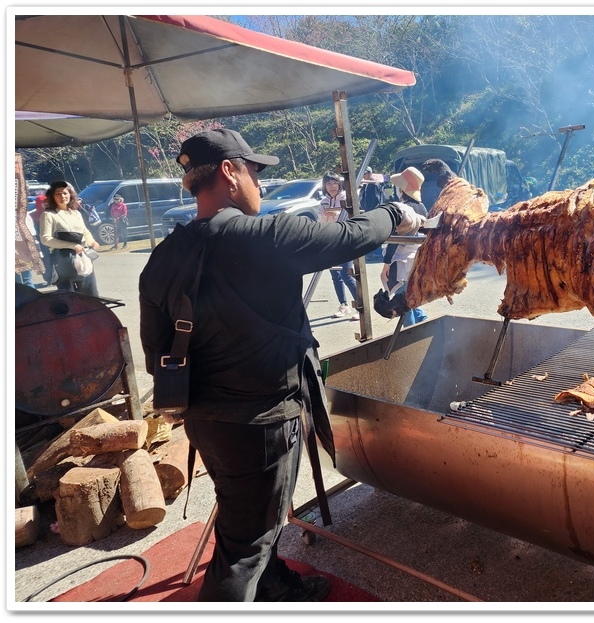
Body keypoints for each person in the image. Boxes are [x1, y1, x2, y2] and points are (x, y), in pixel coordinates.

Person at [138, 128, 423, 603]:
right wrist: (397, 211)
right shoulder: (263, 236)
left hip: (205, 419)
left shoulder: (163, 257)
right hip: (263, 421)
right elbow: (350, 236)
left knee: (248, 519)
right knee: (244, 545)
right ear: (229, 172)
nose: (261, 184)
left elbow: (155, 352)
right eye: (254, 171)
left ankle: (271, 583)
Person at [380, 167, 428, 326]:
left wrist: (386, 264)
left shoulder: (404, 209)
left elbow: (396, 238)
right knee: (410, 296)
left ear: (402, 189)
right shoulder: (422, 207)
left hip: (402, 261)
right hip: (417, 259)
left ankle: (411, 335)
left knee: (404, 303)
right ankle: (424, 322)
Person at [39, 181, 100, 296]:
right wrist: (72, 246)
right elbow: (45, 239)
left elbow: (84, 231)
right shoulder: (48, 215)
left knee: (91, 295)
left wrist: (92, 241)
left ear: (70, 195)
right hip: (62, 260)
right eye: (58, 194)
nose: (62, 196)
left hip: (83, 258)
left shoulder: (76, 213)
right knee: (69, 298)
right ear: (52, 196)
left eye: (65, 193)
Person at [319, 172, 359, 320]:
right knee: (335, 275)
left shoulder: (346, 199)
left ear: (339, 183)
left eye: (334, 182)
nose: (332, 186)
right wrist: (324, 215)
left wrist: (334, 217)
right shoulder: (323, 201)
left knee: (347, 274)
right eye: (328, 183)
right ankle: (343, 304)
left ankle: (360, 306)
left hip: (344, 240)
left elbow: (349, 218)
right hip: (329, 241)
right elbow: (321, 221)